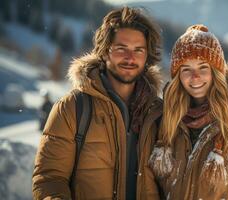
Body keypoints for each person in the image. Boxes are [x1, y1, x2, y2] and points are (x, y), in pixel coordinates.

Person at [32, 6, 163, 200]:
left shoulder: (159, 113)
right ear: (105, 51)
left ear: (147, 55)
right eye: (121, 48)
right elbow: (50, 179)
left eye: (138, 50)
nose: (130, 58)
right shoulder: (73, 107)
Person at [148, 24, 228, 199]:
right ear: (178, 76)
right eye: (186, 69)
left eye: (203, 67)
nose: (195, 76)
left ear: (216, 72)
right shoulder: (164, 117)